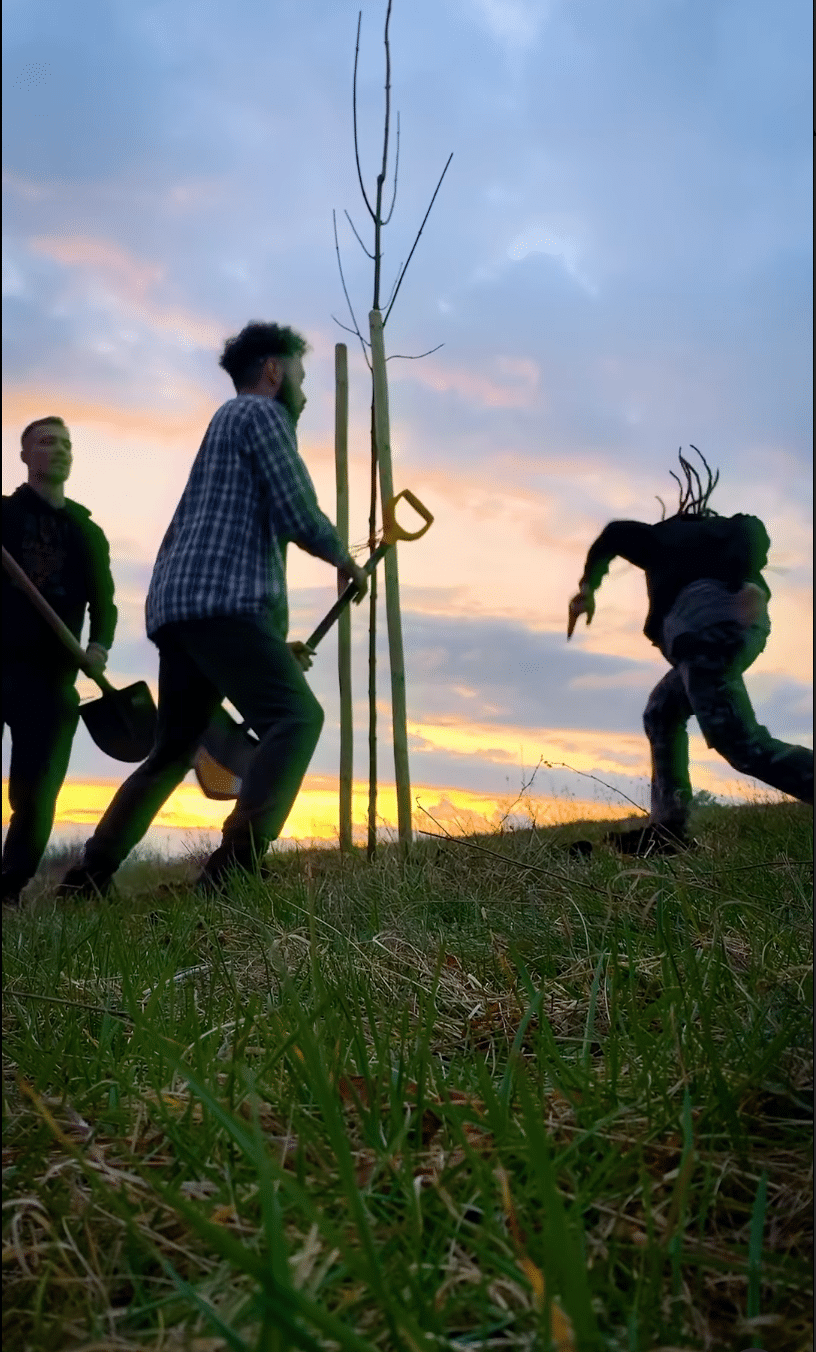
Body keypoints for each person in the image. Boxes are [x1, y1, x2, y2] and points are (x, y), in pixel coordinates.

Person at [59, 322, 368, 897]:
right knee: (297, 719)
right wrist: (343, 560)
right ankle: (232, 872)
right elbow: (296, 508)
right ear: (273, 371)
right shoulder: (259, 416)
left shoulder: (223, 426)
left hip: (184, 607)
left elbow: (239, 534)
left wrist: (274, 644)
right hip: (220, 605)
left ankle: (85, 880)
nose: (304, 387)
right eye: (299, 374)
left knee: (171, 752)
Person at [566, 446, 813, 855]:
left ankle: (669, 832)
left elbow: (612, 535)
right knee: (662, 710)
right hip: (726, 634)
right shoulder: (724, 532)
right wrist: (744, 578)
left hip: (706, 638)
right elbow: (754, 530)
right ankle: (668, 830)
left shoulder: (659, 538)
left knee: (740, 744)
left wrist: (586, 589)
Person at [2, 417, 117, 905]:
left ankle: (8, 889)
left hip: (52, 679)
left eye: (67, 444)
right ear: (25, 456)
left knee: (36, 792)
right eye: (47, 442)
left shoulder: (85, 531)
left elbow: (103, 603)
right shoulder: (2, 517)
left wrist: (98, 647)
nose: (60, 451)